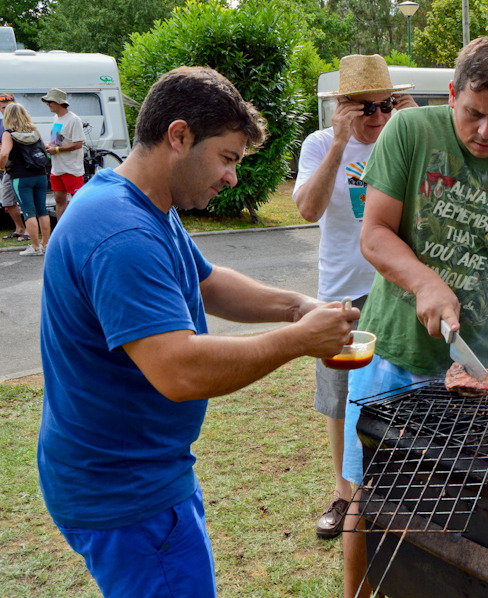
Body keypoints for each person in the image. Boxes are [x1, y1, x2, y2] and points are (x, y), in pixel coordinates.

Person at [38, 66, 360, 598]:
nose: (232, 176)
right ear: (179, 136)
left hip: (140, 473)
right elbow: (178, 369)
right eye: (228, 158)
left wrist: (298, 307)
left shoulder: (141, 204)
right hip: (127, 492)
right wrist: (298, 341)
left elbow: (208, 282)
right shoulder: (122, 234)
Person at [342, 36, 488, 597]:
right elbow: (374, 234)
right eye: (474, 113)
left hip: (473, 379)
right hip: (392, 355)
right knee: (366, 496)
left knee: (455, 501)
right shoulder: (410, 131)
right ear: (452, 95)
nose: (487, 131)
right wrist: (424, 280)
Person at [292, 53, 417, 539]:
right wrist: (339, 142)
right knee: (340, 398)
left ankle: (391, 491)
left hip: (396, 285)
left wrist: (409, 128)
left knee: (404, 391)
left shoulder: (403, 139)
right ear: (342, 107)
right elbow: (306, 208)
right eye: (367, 109)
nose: (379, 118)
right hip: (343, 291)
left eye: (387, 105)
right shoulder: (321, 143)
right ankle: (345, 497)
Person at [0, 103, 50, 255]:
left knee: (28, 211)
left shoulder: (9, 133)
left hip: (21, 177)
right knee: (42, 210)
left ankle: (35, 247)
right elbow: (43, 148)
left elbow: (4, 154)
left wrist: (2, 167)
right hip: (40, 174)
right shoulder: (34, 130)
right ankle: (46, 244)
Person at [42, 88, 85, 219]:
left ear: (60, 102)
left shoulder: (74, 120)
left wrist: (56, 150)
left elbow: (78, 144)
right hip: (57, 168)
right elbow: (57, 141)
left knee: (76, 202)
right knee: (59, 200)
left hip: (71, 169)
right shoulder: (56, 118)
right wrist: (49, 145)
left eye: (50, 101)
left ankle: (78, 228)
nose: (48, 104)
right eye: (47, 101)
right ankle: (61, 231)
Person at [0, 93, 28, 241]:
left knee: (25, 200)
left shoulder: (23, 123)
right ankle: (19, 228)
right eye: (3, 107)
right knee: (6, 199)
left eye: (9, 106)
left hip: (22, 168)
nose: (6, 110)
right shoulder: (1, 124)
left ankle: (29, 230)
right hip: (8, 168)